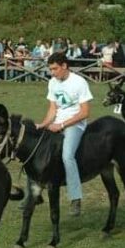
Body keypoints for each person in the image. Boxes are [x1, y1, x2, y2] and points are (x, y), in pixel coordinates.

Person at [35, 52, 93, 216]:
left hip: (75, 125)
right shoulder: (53, 82)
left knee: (67, 155)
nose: (52, 73)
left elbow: (85, 112)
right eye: (51, 70)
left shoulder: (79, 82)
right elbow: (53, 108)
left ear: (64, 66)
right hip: (56, 124)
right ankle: (36, 191)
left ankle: (75, 198)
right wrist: (44, 124)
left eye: (55, 69)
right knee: (38, 149)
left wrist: (61, 125)